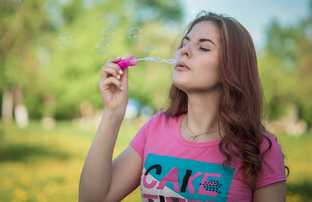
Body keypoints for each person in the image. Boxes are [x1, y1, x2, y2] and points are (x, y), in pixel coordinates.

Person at [79, 11, 288, 202]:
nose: (184, 51)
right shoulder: (155, 128)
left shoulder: (259, 149)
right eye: (185, 43)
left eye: (204, 47)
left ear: (232, 67)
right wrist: (113, 113)